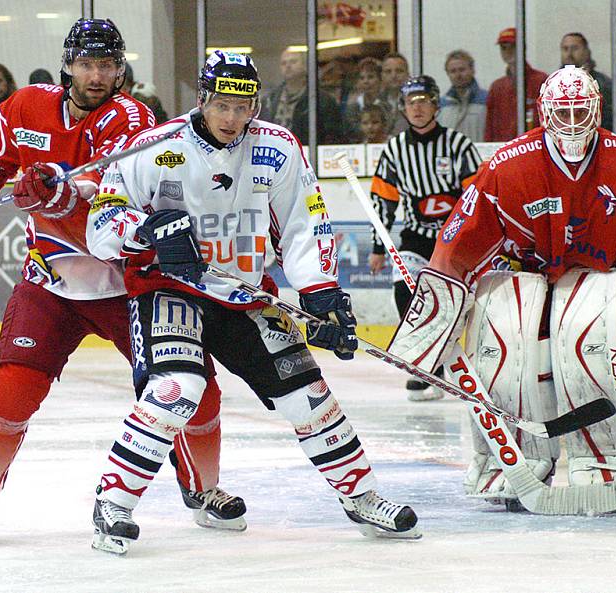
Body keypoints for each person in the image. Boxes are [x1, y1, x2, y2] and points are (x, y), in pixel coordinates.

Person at [86, 50, 421, 553]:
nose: (232, 118)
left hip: (245, 291)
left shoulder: (277, 147)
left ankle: (362, 496)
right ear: (202, 99)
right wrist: (146, 232)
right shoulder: (153, 147)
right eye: (222, 104)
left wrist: (321, 292)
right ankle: (113, 501)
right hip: (170, 288)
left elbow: (306, 221)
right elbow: (101, 226)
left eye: (244, 107)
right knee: (178, 387)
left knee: (307, 395)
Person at [0, 18, 243, 544]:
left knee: (193, 391)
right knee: (11, 391)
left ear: (121, 70)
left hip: (130, 285)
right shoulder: (27, 105)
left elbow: (108, 191)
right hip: (50, 281)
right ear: (68, 65)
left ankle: (204, 488)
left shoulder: (134, 118)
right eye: (87, 64)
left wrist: (59, 194)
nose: (97, 75)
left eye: (108, 65)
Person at [391, 65, 616, 507]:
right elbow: (461, 239)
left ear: (597, 110)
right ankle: (510, 458)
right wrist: (439, 307)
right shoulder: (509, 165)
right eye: (562, 113)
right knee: (504, 347)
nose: (572, 124)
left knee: (588, 345)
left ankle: (608, 459)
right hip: (525, 277)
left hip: (601, 283)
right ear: (543, 114)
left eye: (580, 112)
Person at [367, 75, 481, 401]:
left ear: (435, 104)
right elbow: (382, 201)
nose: (416, 108)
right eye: (410, 102)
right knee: (406, 296)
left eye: (423, 101)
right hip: (415, 237)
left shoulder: (459, 146)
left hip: (454, 239)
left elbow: (476, 198)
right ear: (403, 108)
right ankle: (425, 367)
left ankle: (453, 362)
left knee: (452, 304)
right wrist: (378, 247)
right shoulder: (395, 150)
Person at [259, 48, 344, 145]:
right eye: (284, 63)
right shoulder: (270, 100)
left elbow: (333, 135)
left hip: (308, 153)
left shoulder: (322, 100)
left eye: (293, 62)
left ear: (305, 66)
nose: (288, 66)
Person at [484, 27, 547, 142]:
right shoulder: (497, 87)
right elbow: (489, 128)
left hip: (534, 147)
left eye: (513, 47)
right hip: (504, 150)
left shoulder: (541, 81)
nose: (508, 52)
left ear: (523, 48)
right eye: (504, 48)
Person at [559, 32, 616, 133]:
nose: (569, 54)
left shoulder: (603, 84)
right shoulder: (553, 86)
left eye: (575, 48)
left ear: (587, 52)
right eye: (565, 49)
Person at [437, 49, 488, 142]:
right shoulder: (442, 105)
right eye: (453, 71)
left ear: (472, 70)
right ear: (447, 74)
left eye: (462, 70)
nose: (458, 75)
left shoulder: (486, 100)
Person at [345, 57, 388, 141]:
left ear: (380, 80)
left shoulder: (387, 105)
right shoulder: (352, 108)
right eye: (362, 78)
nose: (366, 81)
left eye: (370, 77)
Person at [380, 53, 410, 136]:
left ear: (407, 74)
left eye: (399, 71)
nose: (393, 76)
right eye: (388, 71)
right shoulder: (375, 102)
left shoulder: (416, 103)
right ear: (382, 75)